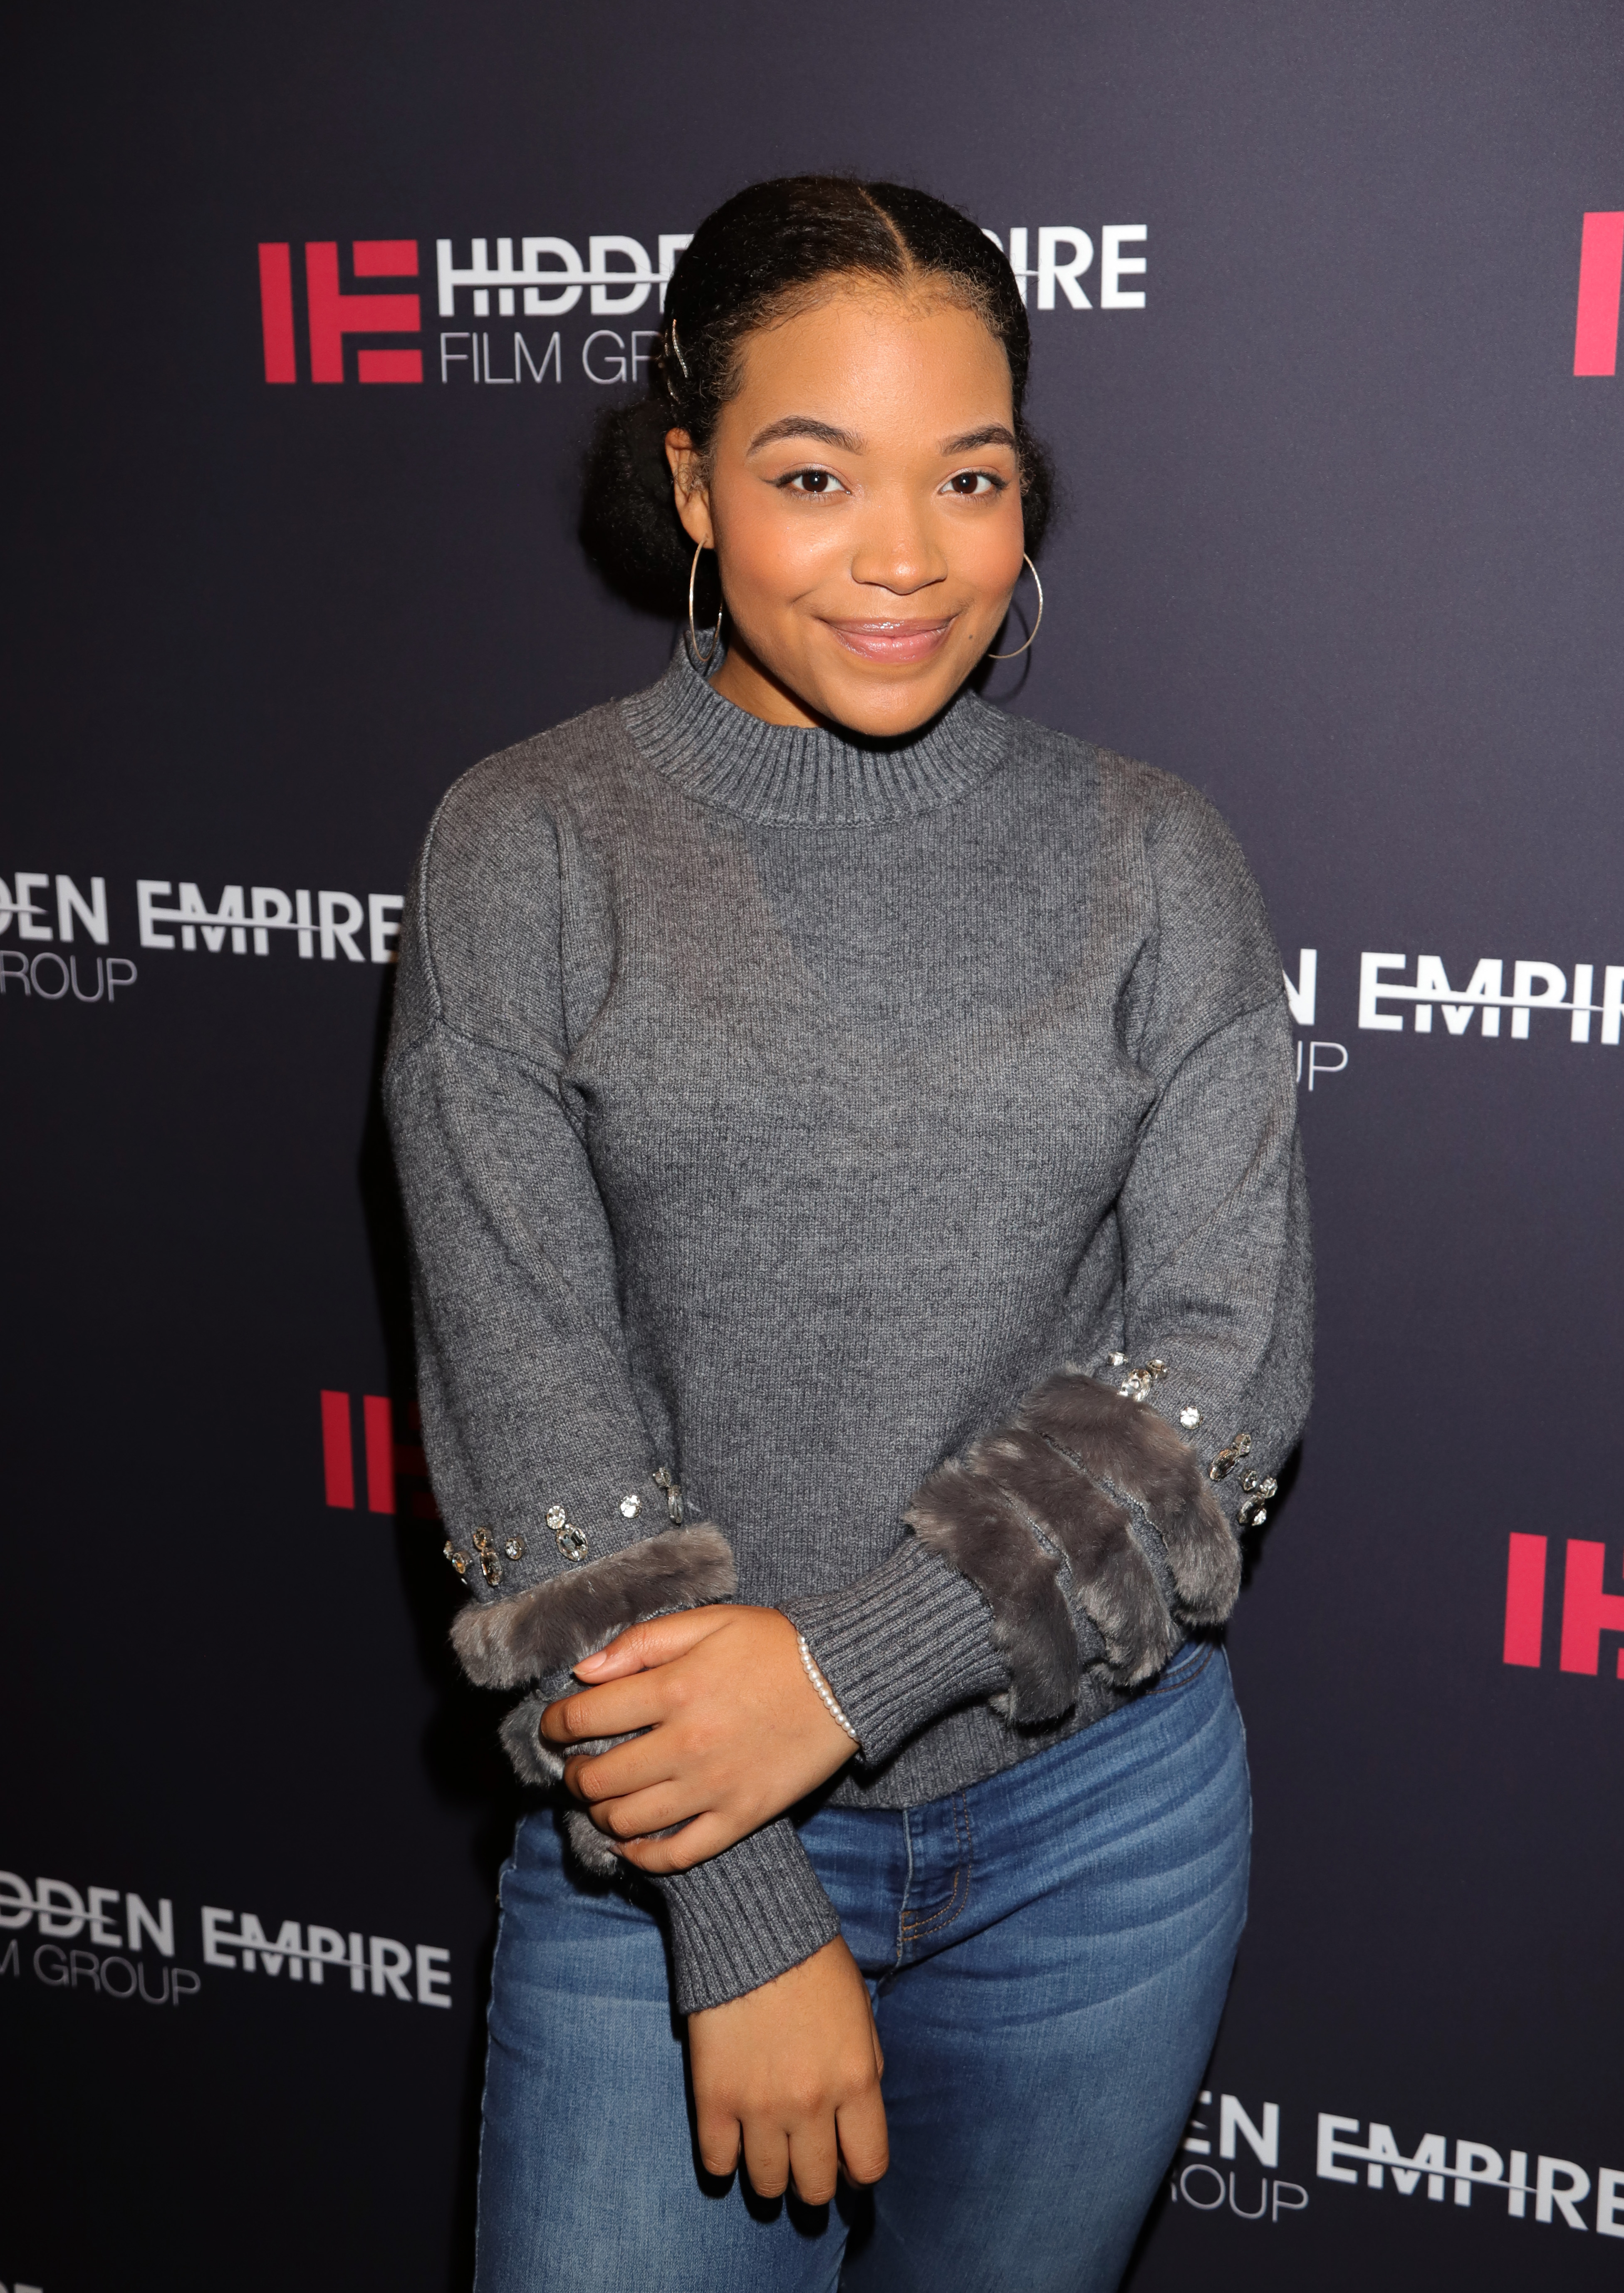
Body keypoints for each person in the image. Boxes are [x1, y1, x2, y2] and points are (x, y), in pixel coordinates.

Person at [385, 174, 1312, 2293]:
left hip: (1102, 1848)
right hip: (665, 1865)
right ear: (691, 483)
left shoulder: (1153, 860)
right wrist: (735, 1896)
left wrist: (839, 1669)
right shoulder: (525, 847)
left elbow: (1217, 1372)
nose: (907, 556)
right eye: (815, 474)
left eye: (967, 477)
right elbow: (533, 1428)